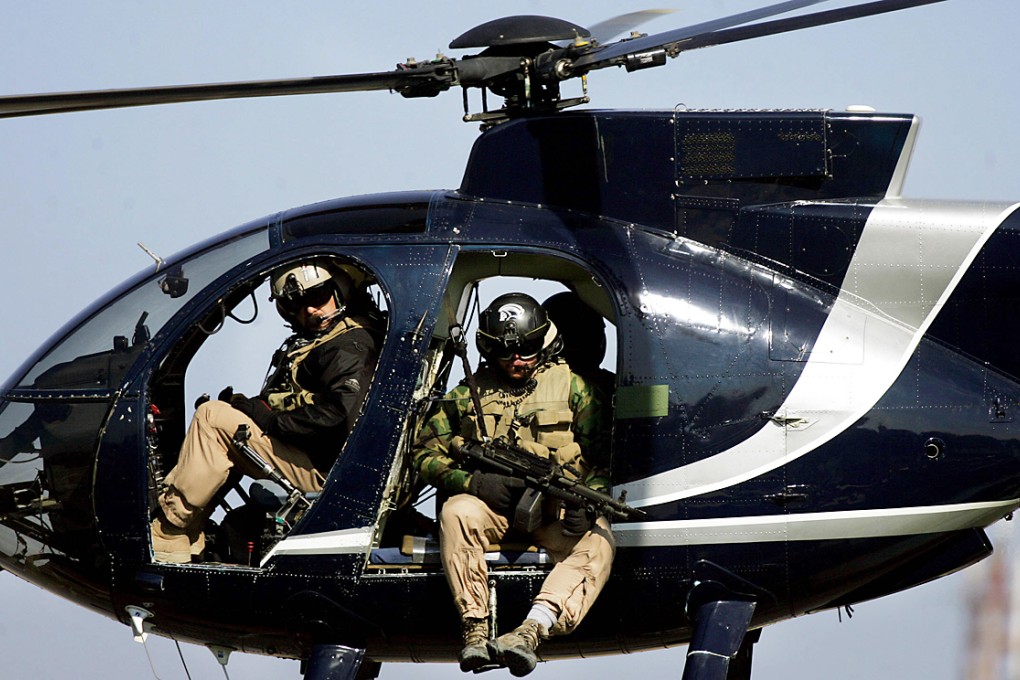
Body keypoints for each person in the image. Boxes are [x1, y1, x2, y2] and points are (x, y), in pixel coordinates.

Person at [413, 292, 615, 677]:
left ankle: (532, 629)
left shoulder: (576, 389)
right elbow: (424, 452)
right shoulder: (465, 395)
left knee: (600, 540)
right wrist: (472, 482)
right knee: (457, 511)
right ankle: (475, 628)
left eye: (526, 349)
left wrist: (591, 501)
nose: (517, 360)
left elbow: (604, 459)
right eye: (506, 354)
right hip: (494, 511)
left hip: (554, 510)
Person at [150, 259, 384, 563]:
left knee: (212, 418)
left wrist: (268, 419)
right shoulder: (335, 337)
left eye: (317, 297)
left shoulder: (349, 344)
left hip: (328, 470)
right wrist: (256, 409)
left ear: (339, 289)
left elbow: (338, 418)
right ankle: (192, 535)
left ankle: (169, 532)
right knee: (230, 425)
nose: (310, 310)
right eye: (295, 304)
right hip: (329, 463)